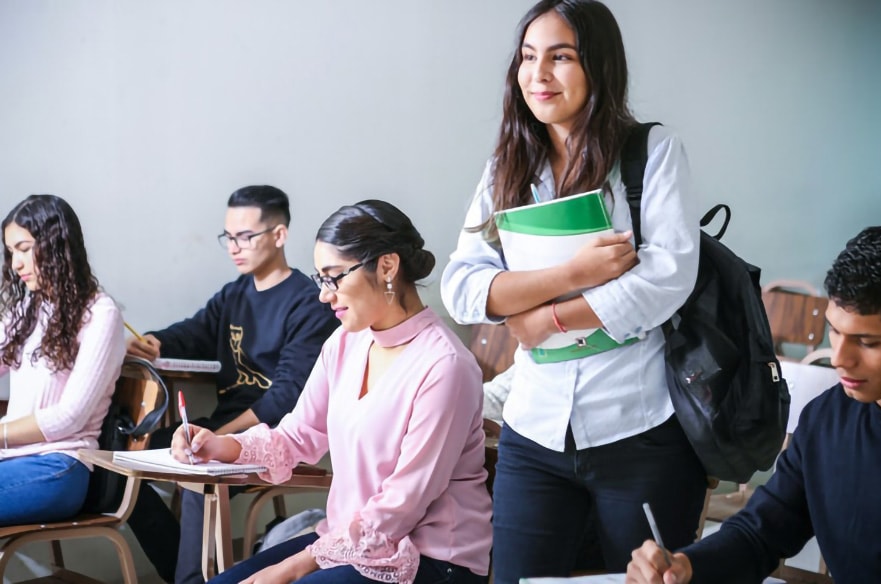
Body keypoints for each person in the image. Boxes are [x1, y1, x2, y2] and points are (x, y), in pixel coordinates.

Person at [440, 1, 708, 581]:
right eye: (528, 58)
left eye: (560, 57)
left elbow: (667, 278)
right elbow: (461, 288)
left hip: (638, 428)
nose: (538, 75)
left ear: (598, 66)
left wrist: (542, 321)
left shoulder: (651, 153)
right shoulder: (506, 166)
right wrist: (572, 276)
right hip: (533, 431)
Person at [175, 199, 492, 584]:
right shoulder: (344, 343)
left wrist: (291, 567)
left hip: (432, 558)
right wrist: (219, 445)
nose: (325, 295)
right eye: (320, 279)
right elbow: (298, 434)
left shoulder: (445, 366)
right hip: (348, 542)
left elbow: (401, 505)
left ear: (387, 266)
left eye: (335, 277)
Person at [626, 225, 881, 584]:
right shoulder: (827, 419)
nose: (839, 358)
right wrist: (687, 566)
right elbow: (761, 532)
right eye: (835, 330)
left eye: (867, 342)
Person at [125, 185, 339, 584]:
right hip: (222, 425)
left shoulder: (309, 302)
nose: (234, 247)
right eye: (229, 237)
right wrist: (157, 341)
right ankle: (180, 573)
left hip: (275, 435)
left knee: (195, 477)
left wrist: (219, 439)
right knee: (125, 469)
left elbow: (285, 398)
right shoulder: (234, 294)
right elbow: (197, 330)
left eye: (246, 237)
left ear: (279, 235)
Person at [0, 194, 125, 525]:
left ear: (57, 244)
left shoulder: (100, 314)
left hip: (58, 467)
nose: (16, 264)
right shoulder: (27, 310)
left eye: (24, 249)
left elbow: (67, 418)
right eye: (12, 252)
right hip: (11, 461)